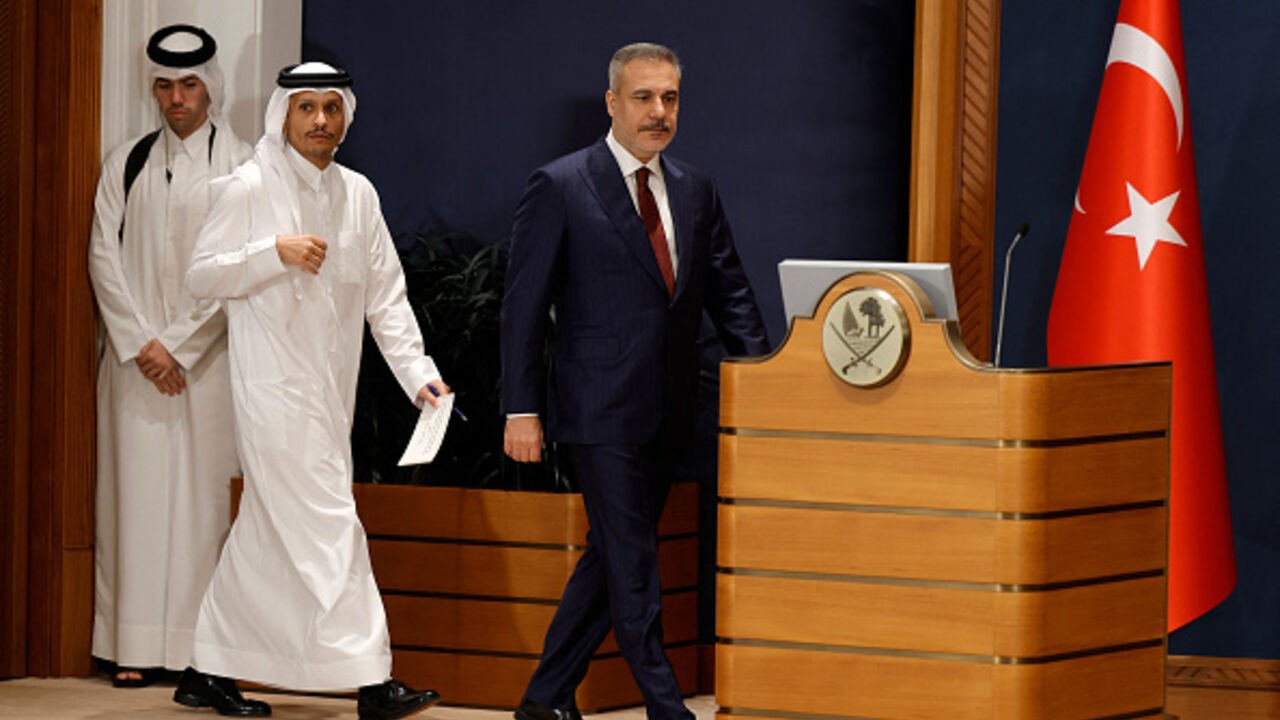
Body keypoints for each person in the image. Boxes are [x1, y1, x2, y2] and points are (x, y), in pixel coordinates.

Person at [501, 42, 769, 720]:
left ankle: (544, 697)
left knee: (611, 558)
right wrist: (520, 409)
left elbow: (730, 292)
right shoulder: (561, 185)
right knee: (634, 564)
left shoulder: (694, 187)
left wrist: (766, 381)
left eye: (670, 98)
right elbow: (523, 309)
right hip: (597, 412)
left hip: (668, 409)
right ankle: (665, 706)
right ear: (612, 103)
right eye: (645, 97)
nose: (659, 111)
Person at [173, 62, 445, 720]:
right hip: (272, 394)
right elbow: (201, 276)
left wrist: (419, 375)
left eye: (331, 107)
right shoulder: (247, 187)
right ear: (283, 115)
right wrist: (272, 251)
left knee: (266, 532)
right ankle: (373, 681)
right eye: (307, 108)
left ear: (346, 115)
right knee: (332, 525)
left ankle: (208, 668)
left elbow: (387, 299)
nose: (321, 120)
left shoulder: (358, 194)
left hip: (329, 396)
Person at [87, 23, 252, 689]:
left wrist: (180, 346)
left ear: (209, 86)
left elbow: (239, 267)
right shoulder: (124, 162)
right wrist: (143, 344)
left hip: (207, 369)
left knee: (205, 509)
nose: (176, 98)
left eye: (188, 84)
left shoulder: (244, 166)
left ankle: (196, 650)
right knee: (132, 504)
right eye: (164, 85)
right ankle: (130, 645)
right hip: (134, 368)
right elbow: (103, 258)